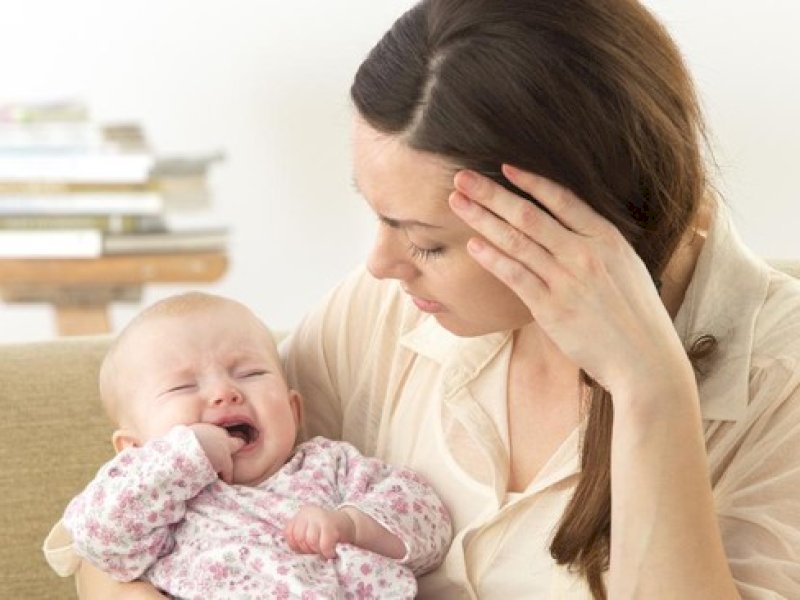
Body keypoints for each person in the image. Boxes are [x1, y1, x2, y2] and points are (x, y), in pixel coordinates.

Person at [63, 0, 800, 598]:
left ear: (573, 226)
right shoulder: (384, 313)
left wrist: (650, 392)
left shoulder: (778, 381)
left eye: (426, 243)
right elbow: (102, 551)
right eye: (380, 216)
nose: (380, 265)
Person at [44, 292, 451, 599]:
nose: (224, 392)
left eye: (250, 372)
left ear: (294, 410)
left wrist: (352, 524)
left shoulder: (332, 466)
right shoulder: (156, 509)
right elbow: (100, 542)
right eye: (184, 386)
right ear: (134, 449)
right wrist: (181, 459)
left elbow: (427, 518)